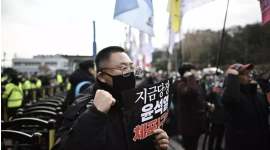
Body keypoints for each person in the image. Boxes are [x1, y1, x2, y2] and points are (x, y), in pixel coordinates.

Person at [52, 46, 169, 150]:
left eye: (131, 67)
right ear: (102, 76)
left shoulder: (133, 100)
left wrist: (153, 145)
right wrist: (95, 114)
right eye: (123, 68)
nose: (130, 73)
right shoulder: (86, 104)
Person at [221, 63, 270, 150]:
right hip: (240, 145)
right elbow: (230, 98)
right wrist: (232, 76)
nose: (249, 76)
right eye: (244, 74)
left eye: (249, 72)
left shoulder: (259, 95)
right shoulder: (232, 96)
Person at [176, 63, 214, 150]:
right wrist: (190, 77)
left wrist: (206, 104)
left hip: (195, 126)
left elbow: (194, 102)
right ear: (187, 72)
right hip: (189, 127)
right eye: (194, 71)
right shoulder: (181, 85)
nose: (196, 73)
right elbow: (192, 91)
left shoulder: (190, 84)